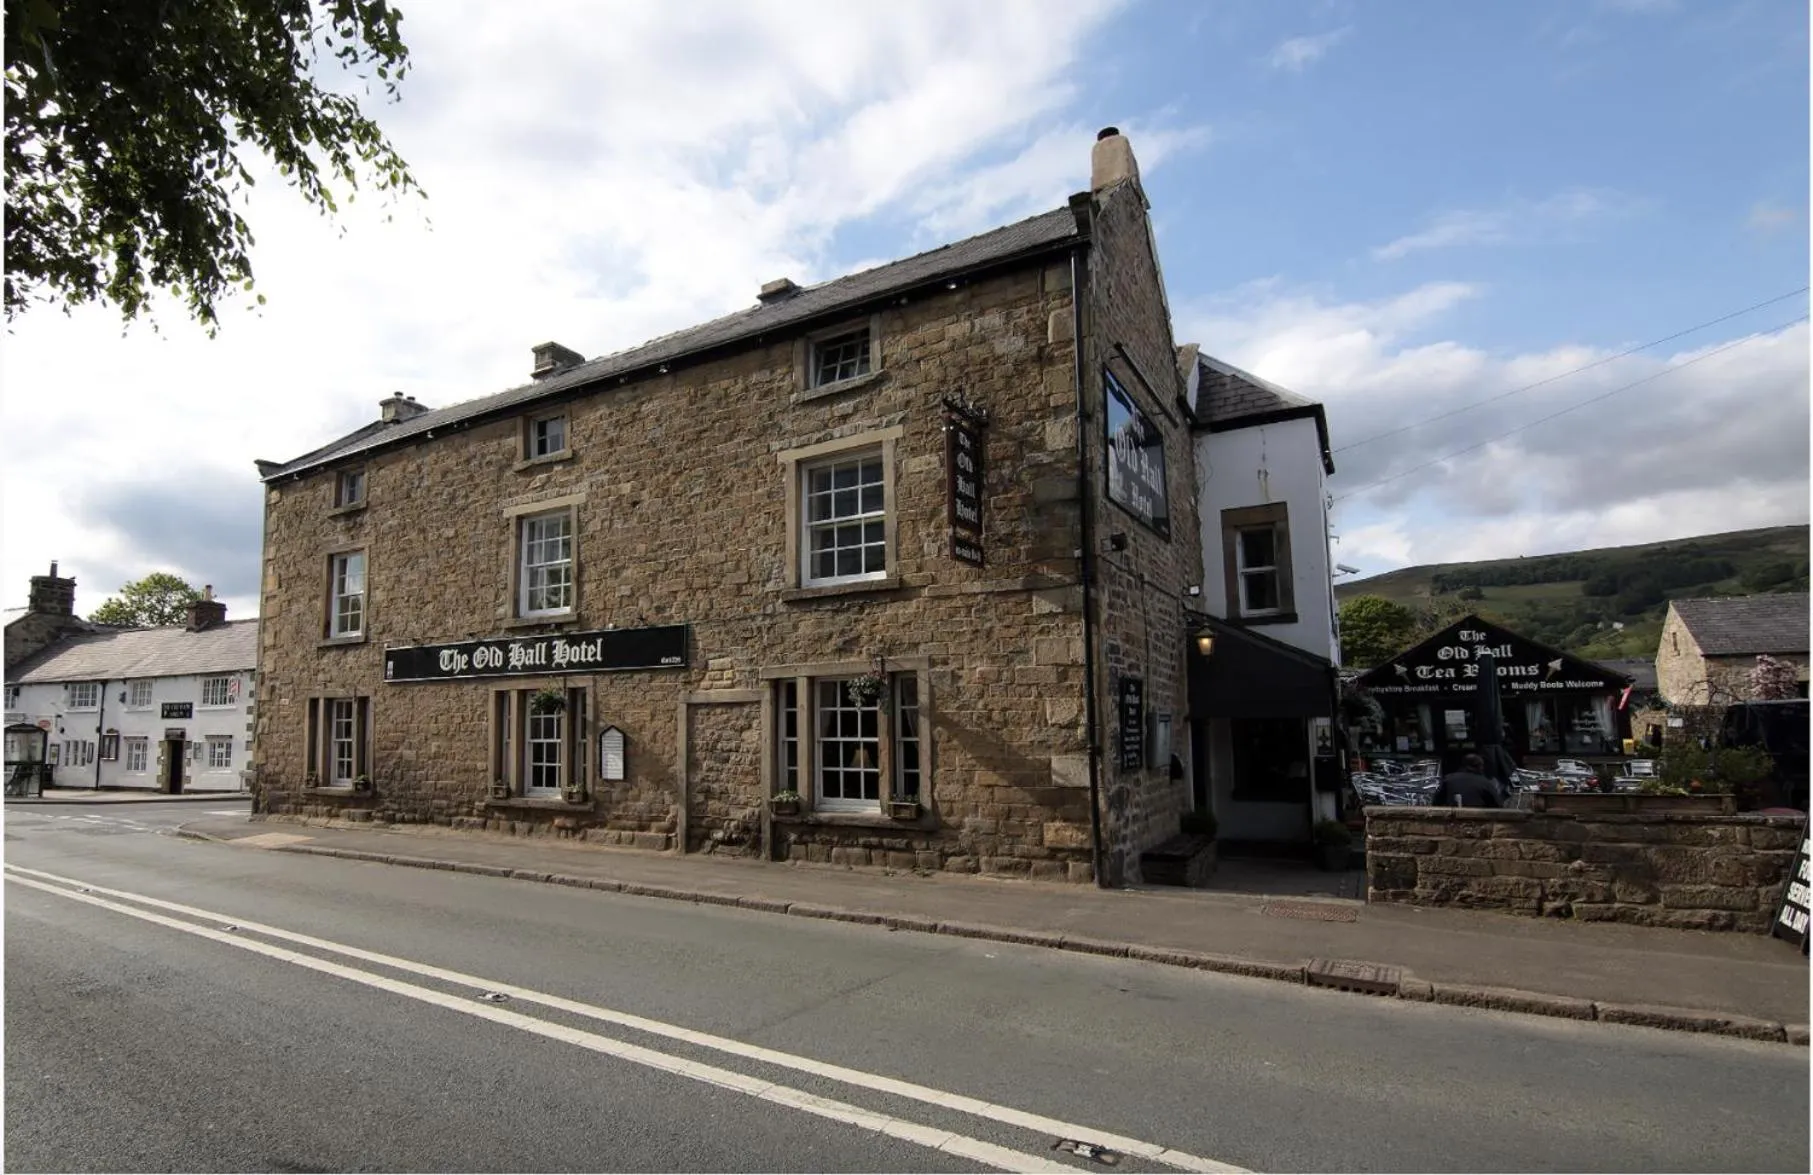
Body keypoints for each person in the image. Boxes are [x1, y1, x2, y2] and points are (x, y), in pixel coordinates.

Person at [1431, 753, 1502, 808]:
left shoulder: (1448, 779)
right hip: (1478, 820)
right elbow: (1498, 806)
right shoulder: (1485, 782)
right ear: (1480, 767)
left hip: (1453, 820)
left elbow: (1436, 802)